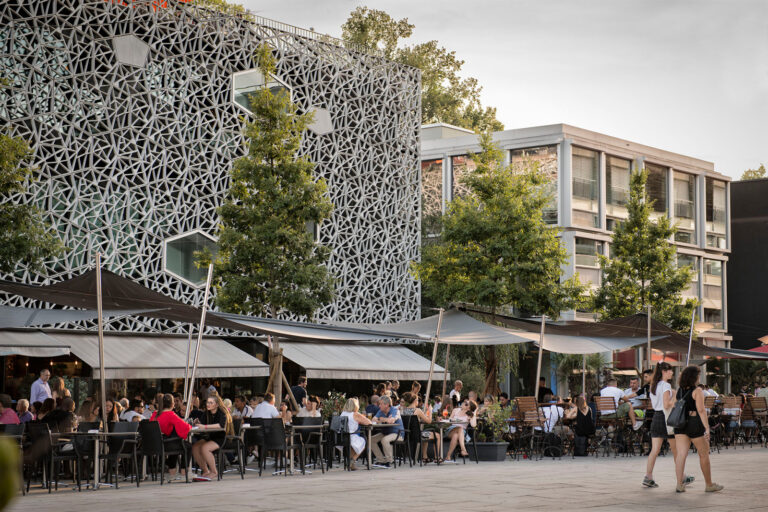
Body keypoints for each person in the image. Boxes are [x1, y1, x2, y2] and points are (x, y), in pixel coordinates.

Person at [673, 366, 723, 493]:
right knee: (703, 453)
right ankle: (709, 484)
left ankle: (679, 484)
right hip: (694, 423)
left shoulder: (679, 390)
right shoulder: (697, 391)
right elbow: (701, 410)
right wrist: (707, 428)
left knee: (681, 455)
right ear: (694, 377)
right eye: (698, 375)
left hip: (680, 424)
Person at [644, 362, 690, 488]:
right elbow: (666, 404)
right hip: (666, 419)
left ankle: (648, 476)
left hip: (656, 417)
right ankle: (682, 477)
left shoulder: (653, 385)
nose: (672, 373)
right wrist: (675, 395)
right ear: (664, 371)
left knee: (654, 450)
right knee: (675, 450)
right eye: (670, 370)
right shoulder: (665, 385)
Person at [191, 393, 233, 481]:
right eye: (207, 402)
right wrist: (197, 422)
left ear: (217, 404)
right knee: (195, 447)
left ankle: (214, 471)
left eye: (211, 403)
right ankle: (205, 470)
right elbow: (201, 423)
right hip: (210, 437)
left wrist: (204, 426)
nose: (208, 404)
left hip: (221, 438)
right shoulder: (207, 413)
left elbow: (221, 426)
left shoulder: (222, 413)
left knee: (205, 448)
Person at [151, 393, 191, 480]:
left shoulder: (154, 414)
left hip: (154, 444)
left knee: (176, 442)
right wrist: (191, 425)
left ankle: (172, 473)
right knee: (187, 446)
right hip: (165, 444)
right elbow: (185, 426)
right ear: (173, 404)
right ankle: (184, 473)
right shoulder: (170, 414)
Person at [399, 392, 441, 463]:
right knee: (437, 435)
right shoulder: (417, 410)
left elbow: (411, 421)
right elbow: (429, 421)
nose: (418, 402)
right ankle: (437, 457)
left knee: (425, 433)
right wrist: (430, 411)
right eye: (418, 400)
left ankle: (425, 457)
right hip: (417, 436)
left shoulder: (402, 410)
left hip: (407, 435)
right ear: (415, 401)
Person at [339, 398, 371, 470]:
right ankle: (352, 460)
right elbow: (369, 422)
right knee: (365, 440)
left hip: (341, 437)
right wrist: (362, 417)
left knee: (354, 444)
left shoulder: (342, 413)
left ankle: (352, 464)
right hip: (351, 437)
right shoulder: (355, 414)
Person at [371, 395, 404, 467]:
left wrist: (383, 419)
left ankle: (389, 461)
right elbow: (373, 419)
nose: (379, 406)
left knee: (384, 440)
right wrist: (384, 419)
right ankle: (381, 460)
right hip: (386, 432)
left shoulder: (395, 410)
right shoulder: (381, 411)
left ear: (387, 405)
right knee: (371, 440)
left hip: (397, 433)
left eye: (381, 404)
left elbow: (391, 421)